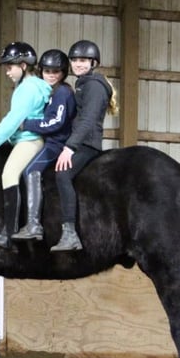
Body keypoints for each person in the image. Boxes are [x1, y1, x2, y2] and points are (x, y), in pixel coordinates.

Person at [0, 41, 52, 248]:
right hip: (22, 139)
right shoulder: (27, 86)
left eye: (10, 67)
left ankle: (9, 234)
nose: (7, 72)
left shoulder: (28, 88)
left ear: (24, 66)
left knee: (9, 174)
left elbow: (13, 120)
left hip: (29, 140)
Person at [50, 39, 117, 252]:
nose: (78, 64)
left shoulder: (95, 86)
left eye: (83, 60)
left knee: (62, 174)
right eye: (75, 60)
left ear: (93, 62)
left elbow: (87, 121)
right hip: (80, 141)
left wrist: (69, 148)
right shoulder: (83, 83)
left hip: (87, 144)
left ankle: (70, 233)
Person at [11, 49, 77, 241]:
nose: (51, 75)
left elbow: (55, 121)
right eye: (47, 71)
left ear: (63, 73)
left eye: (56, 71)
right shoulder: (49, 91)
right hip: (49, 140)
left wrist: (27, 124)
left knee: (31, 170)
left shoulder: (62, 92)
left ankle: (33, 224)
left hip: (57, 143)